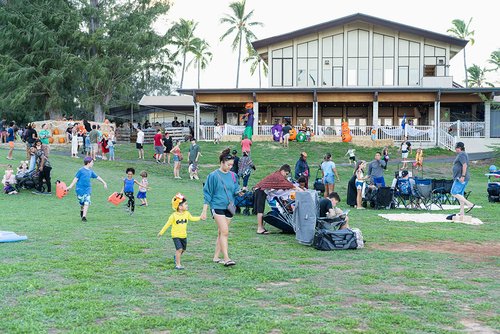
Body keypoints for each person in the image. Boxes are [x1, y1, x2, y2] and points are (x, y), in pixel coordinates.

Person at [200, 148, 240, 267]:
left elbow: (235, 188)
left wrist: (239, 192)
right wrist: (204, 211)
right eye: (228, 165)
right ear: (222, 162)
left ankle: (216, 257)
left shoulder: (233, 176)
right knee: (225, 232)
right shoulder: (213, 176)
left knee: (221, 232)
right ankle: (226, 258)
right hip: (217, 206)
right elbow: (207, 193)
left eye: (232, 165)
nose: (230, 167)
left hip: (229, 207)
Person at [158, 193, 204, 270]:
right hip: (175, 235)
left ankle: (176, 256)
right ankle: (178, 265)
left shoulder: (187, 213)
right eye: (185, 204)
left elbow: (192, 218)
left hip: (184, 235)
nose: (187, 205)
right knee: (179, 249)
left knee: (183, 249)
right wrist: (161, 232)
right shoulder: (173, 216)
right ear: (180, 207)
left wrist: (200, 218)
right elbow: (167, 224)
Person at [253, 164, 295, 235]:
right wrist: (298, 189)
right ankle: (259, 228)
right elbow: (286, 184)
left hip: (260, 190)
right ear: (282, 171)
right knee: (260, 210)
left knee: (260, 210)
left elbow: (285, 183)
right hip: (260, 190)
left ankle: (261, 227)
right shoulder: (278, 176)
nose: (286, 175)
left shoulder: (277, 175)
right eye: (286, 174)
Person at [66, 157, 108, 222]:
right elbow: (76, 179)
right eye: (92, 162)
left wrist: (104, 182)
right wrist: (70, 186)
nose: (93, 164)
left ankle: (84, 216)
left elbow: (97, 177)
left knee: (87, 201)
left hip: (88, 189)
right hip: (79, 189)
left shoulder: (91, 172)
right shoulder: (81, 170)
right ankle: (82, 209)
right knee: (82, 202)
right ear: (88, 163)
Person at [451, 142, 474, 217]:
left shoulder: (461, 154)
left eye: (456, 148)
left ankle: (469, 204)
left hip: (460, 177)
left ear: (459, 148)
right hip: (462, 177)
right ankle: (462, 212)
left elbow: (464, 165)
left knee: (453, 192)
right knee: (460, 194)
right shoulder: (464, 154)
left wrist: (462, 176)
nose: (455, 149)